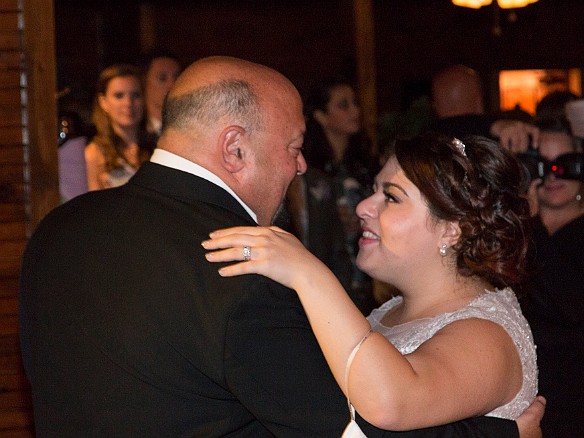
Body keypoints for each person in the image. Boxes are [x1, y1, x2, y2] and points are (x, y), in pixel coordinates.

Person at [19, 57, 543, 437]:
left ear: (453, 228)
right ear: (235, 147)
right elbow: (348, 431)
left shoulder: (57, 231)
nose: (300, 167)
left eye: (391, 197)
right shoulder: (237, 268)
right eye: (293, 147)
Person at [203, 133, 540, 433]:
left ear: (452, 229)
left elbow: (391, 403)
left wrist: (310, 275)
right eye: (373, 192)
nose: (364, 206)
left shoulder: (487, 334)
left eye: (391, 198)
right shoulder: (389, 311)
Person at [515, 124, 584, 437]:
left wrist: (530, 225)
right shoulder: (515, 230)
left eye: (564, 164)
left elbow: (571, 302)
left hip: (573, 392)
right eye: (542, 166)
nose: (553, 176)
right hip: (518, 390)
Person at [303, 76, 380, 314]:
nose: (355, 111)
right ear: (321, 116)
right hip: (329, 266)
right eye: (343, 105)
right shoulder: (309, 168)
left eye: (355, 103)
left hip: (367, 266)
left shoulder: (364, 162)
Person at [275, 166, 353, 293]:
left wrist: (340, 294)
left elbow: (337, 247)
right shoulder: (265, 185)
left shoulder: (319, 182)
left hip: (323, 288)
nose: (301, 161)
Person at [429, 64, 539, 152]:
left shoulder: (424, 150)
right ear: (479, 101)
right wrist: (493, 126)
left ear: (435, 105)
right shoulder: (491, 144)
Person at [84, 63, 156, 191]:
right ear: (103, 102)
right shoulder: (95, 153)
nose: (128, 103)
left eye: (135, 95)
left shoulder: (157, 146)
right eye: (119, 96)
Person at [138, 49, 182, 136]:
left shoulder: (188, 128)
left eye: (176, 77)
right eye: (162, 78)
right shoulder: (135, 131)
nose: (171, 85)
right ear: (144, 81)